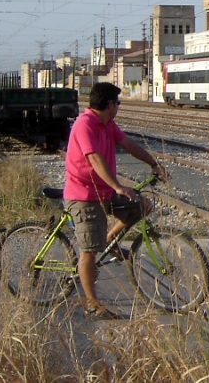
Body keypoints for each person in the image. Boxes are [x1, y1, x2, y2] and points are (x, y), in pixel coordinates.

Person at [64, 82, 167, 319]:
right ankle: (92, 304)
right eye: (118, 103)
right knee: (88, 251)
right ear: (110, 105)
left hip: (104, 193)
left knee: (142, 206)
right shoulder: (84, 125)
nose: (118, 107)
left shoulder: (107, 124)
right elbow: (96, 160)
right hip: (84, 196)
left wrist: (153, 163)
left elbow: (128, 145)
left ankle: (108, 241)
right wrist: (118, 186)